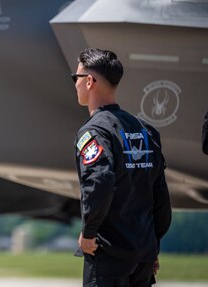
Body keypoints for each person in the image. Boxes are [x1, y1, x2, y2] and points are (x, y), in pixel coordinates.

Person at [71, 48, 172, 286]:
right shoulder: (146, 130)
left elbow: (99, 182)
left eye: (75, 78)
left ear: (89, 82)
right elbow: (161, 197)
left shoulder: (94, 132)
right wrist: (152, 245)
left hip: (109, 255)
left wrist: (89, 232)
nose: (74, 84)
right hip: (143, 255)